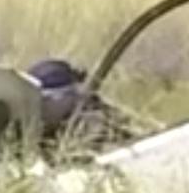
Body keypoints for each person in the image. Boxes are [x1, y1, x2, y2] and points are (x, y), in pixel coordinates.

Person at [26, 58, 156, 156]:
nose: (39, 109)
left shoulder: (95, 124)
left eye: (44, 101)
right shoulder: (35, 128)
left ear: (66, 98)